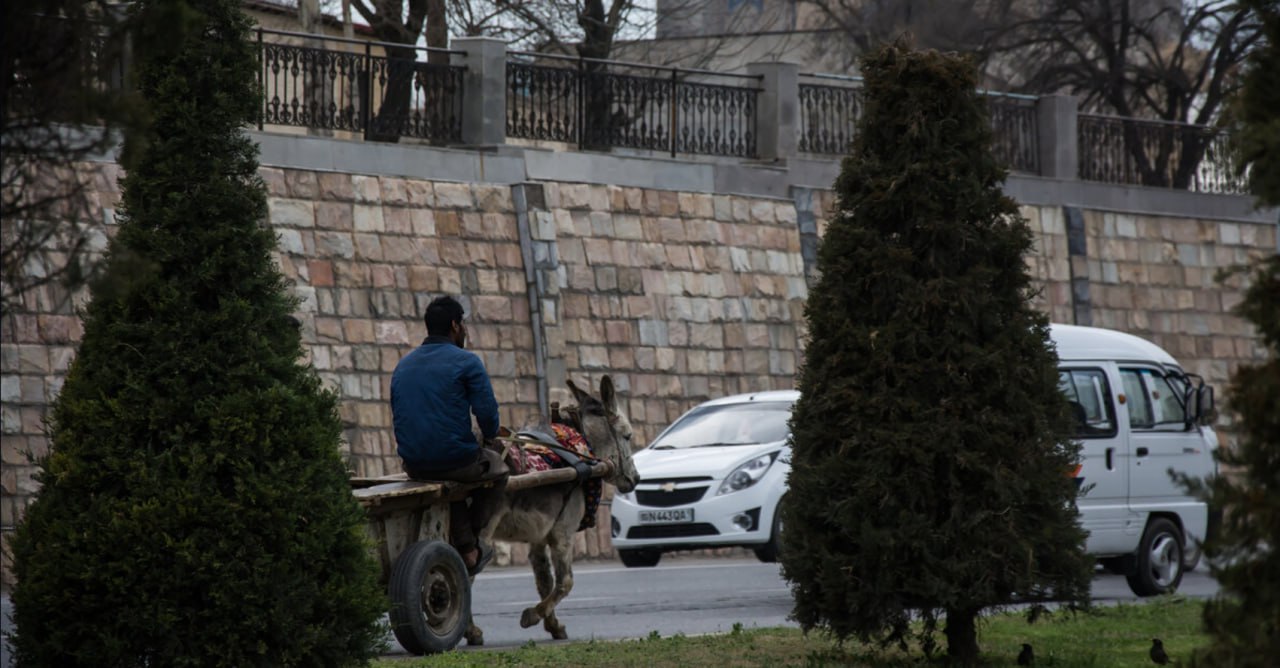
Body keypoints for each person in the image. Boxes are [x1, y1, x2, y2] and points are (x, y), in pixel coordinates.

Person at [391, 296, 508, 575]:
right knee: (500, 470)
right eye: (464, 324)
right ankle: (473, 542)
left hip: (413, 463)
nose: (465, 330)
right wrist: (491, 437)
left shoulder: (403, 365)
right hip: (455, 460)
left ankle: (464, 544)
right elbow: (488, 417)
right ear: (455, 326)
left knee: (450, 478)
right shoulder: (467, 362)